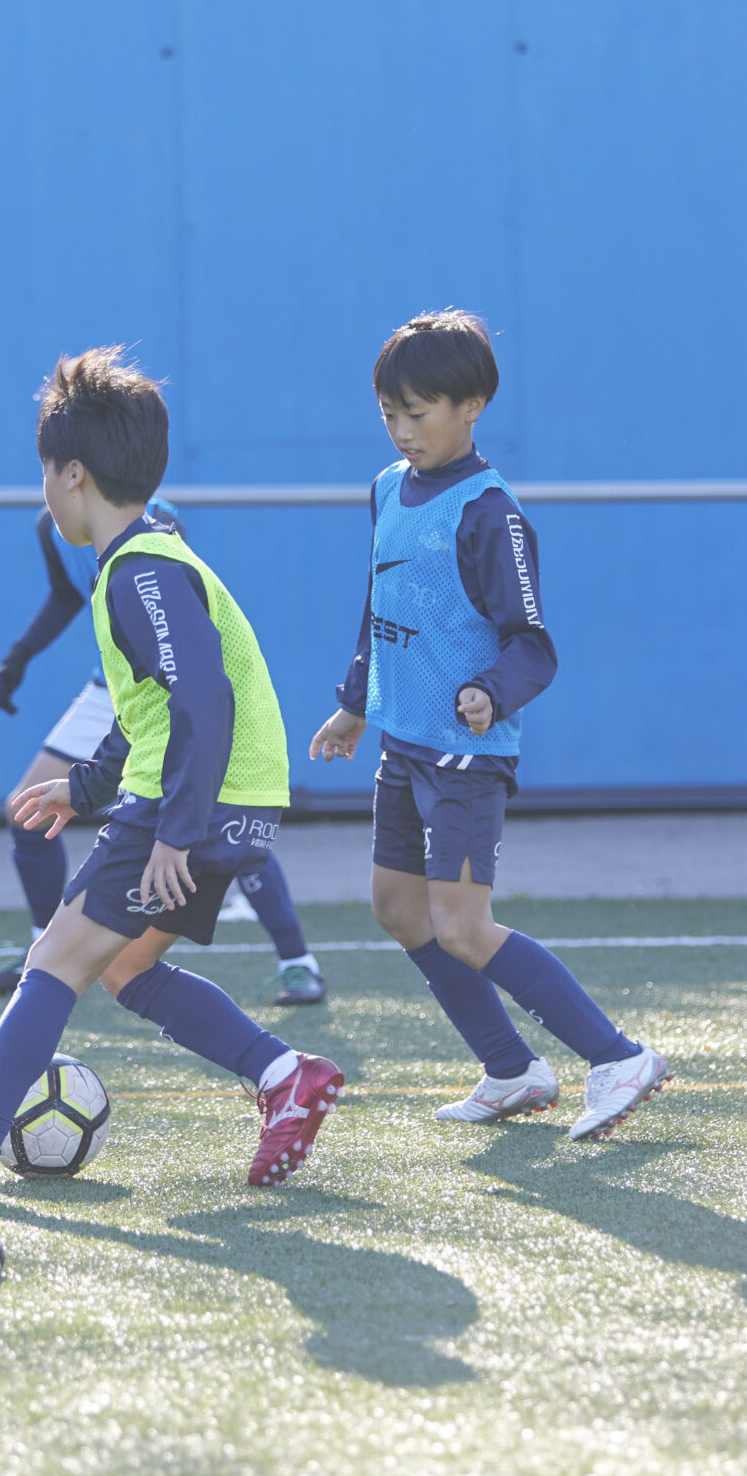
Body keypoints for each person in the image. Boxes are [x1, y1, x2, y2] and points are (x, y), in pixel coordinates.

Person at [0, 349, 344, 1224]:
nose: (45, 491)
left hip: (192, 803)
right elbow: (154, 707)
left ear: (72, 473)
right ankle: (285, 1074)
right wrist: (83, 786)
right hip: (230, 798)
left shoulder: (140, 570)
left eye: (44, 472)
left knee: (52, 962)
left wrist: (174, 829)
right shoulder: (142, 561)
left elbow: (203, 698)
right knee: (122, 966)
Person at [309, 311, 668, 1141]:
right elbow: (379, 604)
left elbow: (532, 644)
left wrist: (490, 693)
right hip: (404, 745)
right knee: (399, 909)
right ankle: (511, 1068)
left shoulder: (490, 512)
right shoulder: (385, 489)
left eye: (418, 412)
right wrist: (356, 703)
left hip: (466, 757)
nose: (402, 430)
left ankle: (617, 1056)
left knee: (464, 928)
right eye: (389, 413)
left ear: (471, 406)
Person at [0, 495, 326, 1005]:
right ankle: (44, 945)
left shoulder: (151, 521)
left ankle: (297, 960)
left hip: (170, 690)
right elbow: (65, 595)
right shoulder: (50, 526)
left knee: (222, 822)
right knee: (25, 810)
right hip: (113, 693)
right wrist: (20, 655)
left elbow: (180, 629)